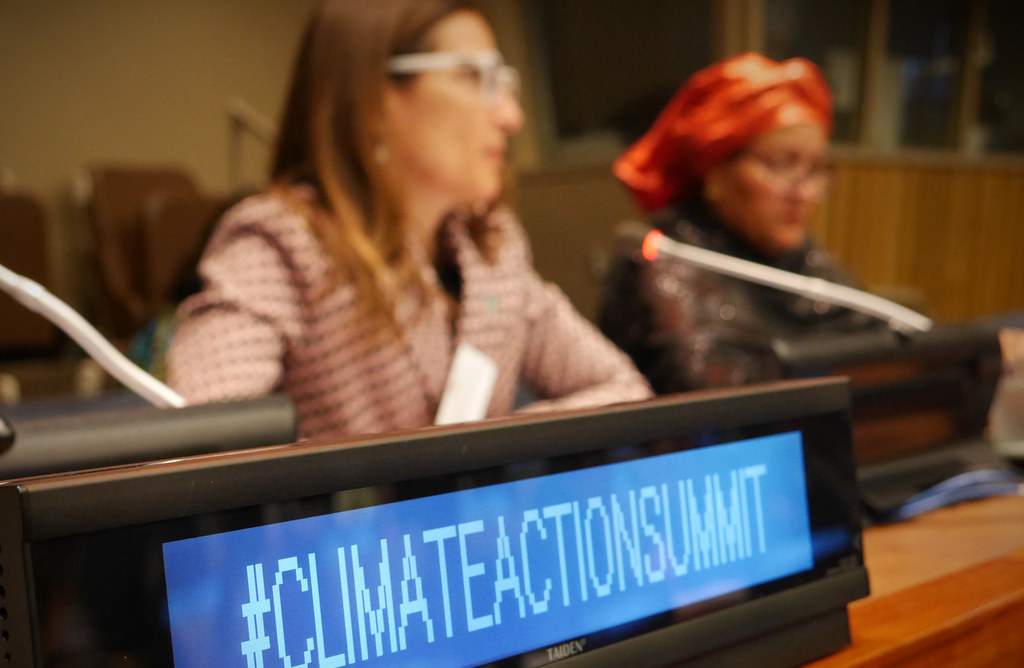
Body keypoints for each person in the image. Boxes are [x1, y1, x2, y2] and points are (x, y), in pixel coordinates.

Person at [167, 0, 651, 440]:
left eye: (504, 82)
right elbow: (199, 447)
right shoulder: (282, 243)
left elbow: (623, 389)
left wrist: (486, 453)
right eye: (472, 76)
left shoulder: (494, 251)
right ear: (372, 98)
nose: (510, 115)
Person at [599, 52, 882, 395]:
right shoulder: (665, 259)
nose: (804, 192)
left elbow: (878, 344)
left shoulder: (800, 256)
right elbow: (713, 392)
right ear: (716, 171)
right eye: (781, 163)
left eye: (815, 169)